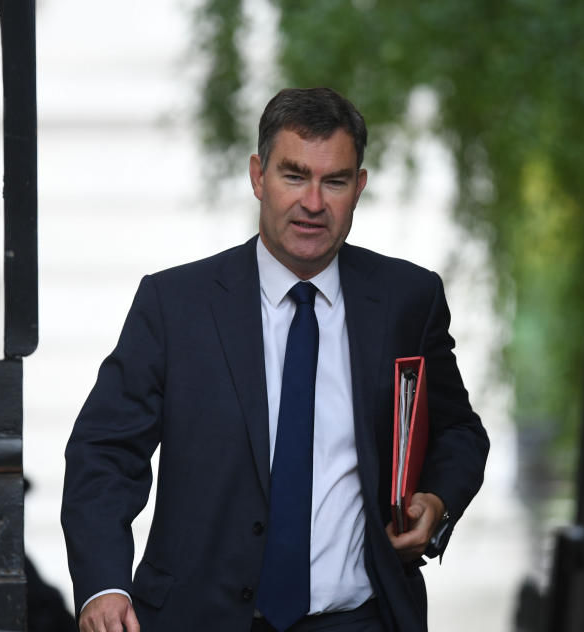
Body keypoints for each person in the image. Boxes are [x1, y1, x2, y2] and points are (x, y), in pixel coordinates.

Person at [61, 87, 490, 632]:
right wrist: (104, 584)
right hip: (199, 619)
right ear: (258, 175)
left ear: (358, 188)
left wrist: (436, 500)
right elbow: (105, 451)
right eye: (294, 176)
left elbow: (458, 431)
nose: (313, 202)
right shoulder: (175, 305)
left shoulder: (408, 299)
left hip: (359, 619)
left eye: (333, 181)